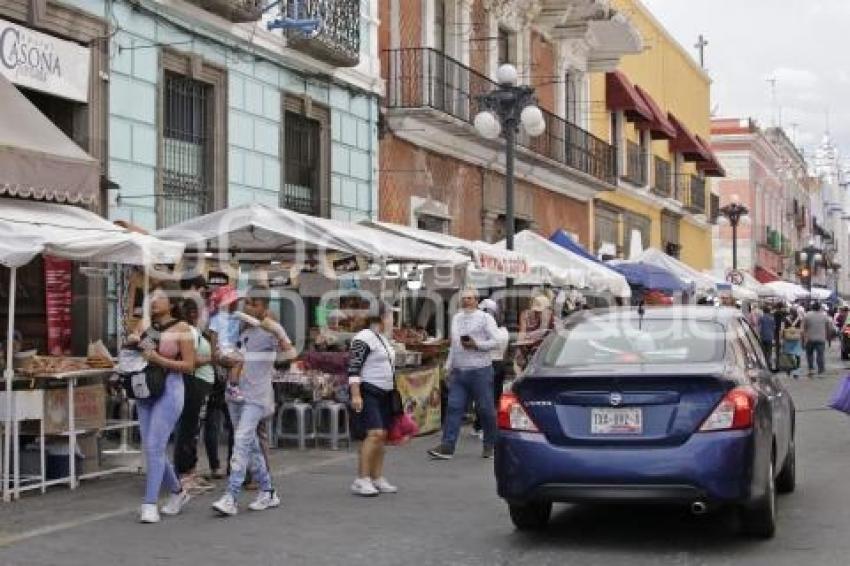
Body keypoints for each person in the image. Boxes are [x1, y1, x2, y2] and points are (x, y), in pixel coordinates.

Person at [212, 286, 294, 516]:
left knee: (241, 440)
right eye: (246, 302)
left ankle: (231, 495)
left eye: (253, 304)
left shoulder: (269, 331)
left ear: (264, 308)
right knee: (252, 445)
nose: (247, 307)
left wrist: (278, 332)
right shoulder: (238, 328)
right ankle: (268, 491)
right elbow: (222, 355)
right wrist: (222, 357)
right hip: (235, 393)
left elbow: (290, 356)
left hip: (257, 396)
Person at [129, 281, 196, 524]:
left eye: (159, 297)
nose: (153, 301)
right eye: (151, 298)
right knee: (151, 448)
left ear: (172, 302)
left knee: (156, 446)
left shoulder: (183, 328)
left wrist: (158, 358)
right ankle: (178, 492)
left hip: (170, 388)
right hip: (145, 389)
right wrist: (133, 342)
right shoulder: (146, 325)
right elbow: (136, 349)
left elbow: (189, 365)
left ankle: (149, 504)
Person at [428, 288, 500, 460]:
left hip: (480, 371)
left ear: (477, 300)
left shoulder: (485, 318)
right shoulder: (457, 318)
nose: (466, 301)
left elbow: (496, 341)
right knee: (453, 408)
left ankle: (490, 444)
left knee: (485, 409)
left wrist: (477, 345)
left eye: (470, 298)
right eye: (464, 298)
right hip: (459, 372)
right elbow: (454, 345)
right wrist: (448, 366)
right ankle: (447, 446)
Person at [348, 302, 399, 497]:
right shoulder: (363, 338)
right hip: (368, 390)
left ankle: (377, 476)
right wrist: (356, 394)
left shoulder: (382, 338)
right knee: (375, 433)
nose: (392, 320)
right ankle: (362, 479)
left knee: (382, 436)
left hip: (385, 392)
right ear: (381, 317)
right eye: (390, 316)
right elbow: (353, 367)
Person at [173, 299, 216, 494]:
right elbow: (190, 360)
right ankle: (185, 474)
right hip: (194, 383)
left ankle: (190, 471)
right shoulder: (189, 332)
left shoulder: (195, 331)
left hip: (200, 384)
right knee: (189, 430)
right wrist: (212, 359)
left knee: (192, 429)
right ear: (193, 314)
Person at [204, 285, 240, 479]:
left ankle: (228, 465)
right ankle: (217, 465)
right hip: (220, 371)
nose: (237, 303)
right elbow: (213, 350)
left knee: (227, 421)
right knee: (217, 420)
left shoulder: (236, 318)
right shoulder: (217, 320)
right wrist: (223, 360)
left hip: (229, 367)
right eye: (233, 300)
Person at [803, 301, 831, 376]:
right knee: (820, 355)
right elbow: (828, 327)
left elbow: (804, 328)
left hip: (810, 338)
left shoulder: (807, 315)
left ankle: (811, 369)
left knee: (809, 354)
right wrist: (828, 337)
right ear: (820, 308)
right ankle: (821, 371)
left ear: (812, 307)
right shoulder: (824, 316)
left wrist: (803, 338)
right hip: (821, 338)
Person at [781, 305, 804, 379]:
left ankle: (788, 370)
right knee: (797, 356)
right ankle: (796, 372)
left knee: (788, 355)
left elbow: (782, 329)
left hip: (788, 339)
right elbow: (801, 330)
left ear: (790, 312)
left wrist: (781, 338)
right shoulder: (799, 319)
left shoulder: (785, 319)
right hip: (796, 339)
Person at [757, 305, 776, 372]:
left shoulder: (761, 318)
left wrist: (759, 335)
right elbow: (774, 328)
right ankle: (769, 364)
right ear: (769, 311)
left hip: (763, 337)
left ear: (763, 311)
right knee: (769, 351)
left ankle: (764, 363)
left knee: (763, 351)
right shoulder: (772, 318)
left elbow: (759, 327)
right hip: (770, 337)